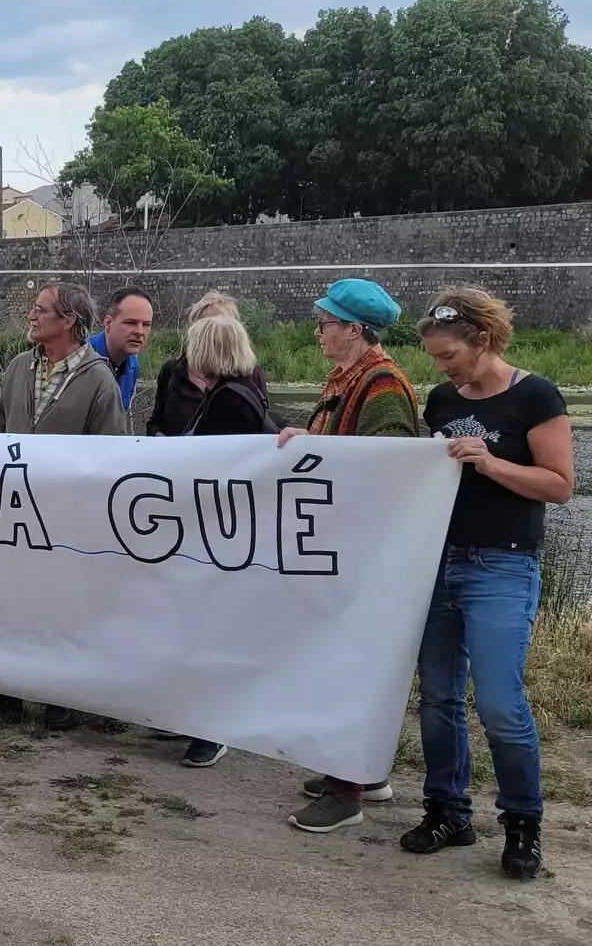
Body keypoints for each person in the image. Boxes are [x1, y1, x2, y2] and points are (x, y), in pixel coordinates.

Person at [400, 287, 571, 880]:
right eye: (435, 357)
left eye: (449, 355)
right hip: (439, 561)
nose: (441, 368)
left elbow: (558, 484)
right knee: (439, 696)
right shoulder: (442, 399)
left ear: (483, 340)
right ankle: (448, 810)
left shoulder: (535, 394)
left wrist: (491, 462)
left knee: (499, 701)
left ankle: (523, 822)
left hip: (504, 563)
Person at [278, 278, 420, 833]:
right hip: (346, 547)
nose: (318, 332)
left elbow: (384, 465)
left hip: (362, 552)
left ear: (355, 330)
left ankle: (347, 791)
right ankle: (363, 768)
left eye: (326, 323)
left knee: (347, 663)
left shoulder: (381, 385)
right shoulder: (350, 380)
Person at [0, 282, 128, 731]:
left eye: (41, 310)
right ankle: (4, 694)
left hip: (64, 518)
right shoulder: (19, 368)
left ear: (68, 322)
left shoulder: (100, 381)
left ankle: (60, 698)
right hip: (14, 511)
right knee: (10, 602)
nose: (32, 315)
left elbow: (111, 455)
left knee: (61, 606)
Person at [173, 311, 274, 767]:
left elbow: (215, 470)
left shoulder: (229, 401)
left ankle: (212, 728)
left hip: (218, 537)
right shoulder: (235, 393)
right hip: (221, 535)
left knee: (209, 628)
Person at [146, 291, 271, 437]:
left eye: (215, 329)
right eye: (205, 328)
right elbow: (156, 421)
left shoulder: (240, 389)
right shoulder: (172, 370)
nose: (210, 338)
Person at [87, 286, 154, 415]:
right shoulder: (81, 360)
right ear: (108, 324)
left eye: (146, 325)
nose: (139, 332)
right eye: (130, 323)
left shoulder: (133, 366)